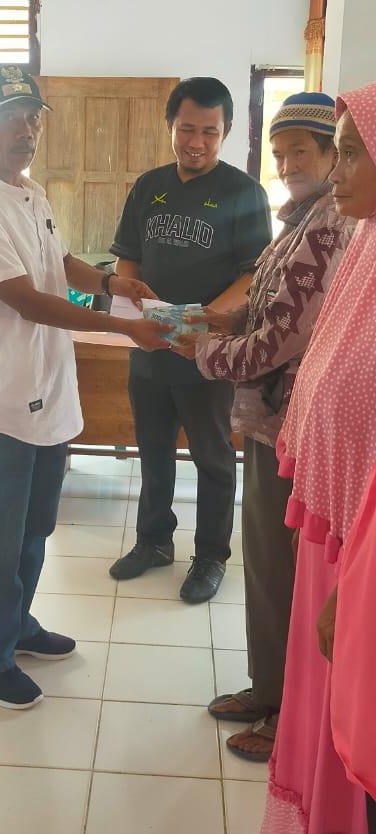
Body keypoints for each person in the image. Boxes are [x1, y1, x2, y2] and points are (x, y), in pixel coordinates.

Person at [0, 65, 170, 711]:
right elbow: (26, 300)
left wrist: (110, 283)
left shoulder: (30, 193)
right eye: (11, 115)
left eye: (33, 115)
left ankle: (18, 626)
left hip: (47, 387)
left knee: (37, 525)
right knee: (0, 532)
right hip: (1, 398)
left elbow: (56, 261)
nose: (26, 127)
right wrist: (126, 331)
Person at [174, 92, 354, 760]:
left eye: (299, 150)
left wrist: (198, 346)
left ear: (334, 153)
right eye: (278, 153)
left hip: (299, 430)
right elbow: (269, 309)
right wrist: (225, 322)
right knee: (267, 566)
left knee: (290, 572)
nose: (286, 164)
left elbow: (279, 338)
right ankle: (268, 687)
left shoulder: (333, 221)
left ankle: (293, 713)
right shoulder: (302, 217)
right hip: (271, 421)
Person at [252, 84, 376, 834]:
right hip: (332, 527)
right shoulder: (363, 243)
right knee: (319, 717)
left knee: (352, 741)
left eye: (349, 150)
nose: (335, 169)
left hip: (366, 555)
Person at [108, 76, 272, 604]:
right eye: (186, 129)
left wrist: (205, 321)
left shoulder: (245, 193)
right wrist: (130, 302)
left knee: (213, 457)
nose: (195, 141)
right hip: (150, 348)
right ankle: (154, 541)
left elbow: (253, 276)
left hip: (208, 355)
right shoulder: (148, 185)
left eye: (209, 131)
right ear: (171, 127)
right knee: (152, 451)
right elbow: (128, 256)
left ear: (225, 132)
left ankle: (210, 556)